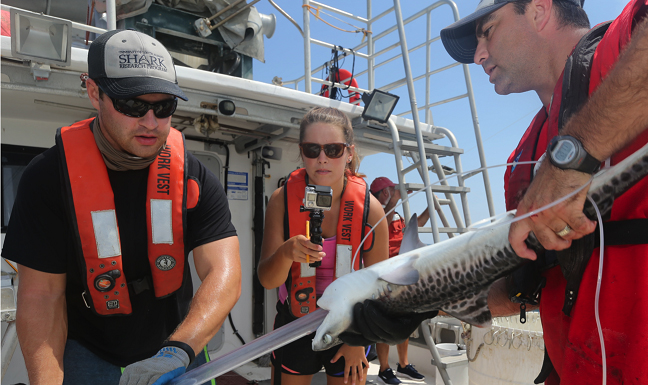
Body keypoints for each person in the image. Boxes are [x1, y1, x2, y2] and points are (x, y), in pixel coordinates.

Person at [340, 0, 648, 384]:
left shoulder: (624, 47)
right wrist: (425, 300)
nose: (479, 55)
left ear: (538, 9)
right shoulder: (523, 161)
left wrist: (573, 156)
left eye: (488, 32)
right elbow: (533, 287)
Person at [0, 30, 242, 385]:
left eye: (164, 107)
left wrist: (178, 351)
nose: (150, 121)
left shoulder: (193, 176)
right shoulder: (49, 178)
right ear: (95, 93)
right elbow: (42, 297)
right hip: (89, 351)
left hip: (177, 347)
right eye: (132, 105)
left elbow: (225, 272)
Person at [257, 107, 390, 385]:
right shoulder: (281, 200)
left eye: (333, 149)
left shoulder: (371, 210)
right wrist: (285, 253)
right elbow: (268, 280)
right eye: (312, 149)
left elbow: (381, 289)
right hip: (294, 322)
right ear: (301, 151)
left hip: (351, 325)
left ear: (349, 153)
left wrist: (358, 341)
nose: (322, 159)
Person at [369, 177, 430, 384]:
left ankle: (403, 365)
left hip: (402, 275)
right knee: (383, 324)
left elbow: (417, 225)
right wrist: (394, 200)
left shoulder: (396, 216)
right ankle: (384, 369)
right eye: (392, 190)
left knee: (404, 321)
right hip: (384, 277)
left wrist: (432, 207)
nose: (396, 192)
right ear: (384, 193)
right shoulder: (375, 214)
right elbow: (381, 227)